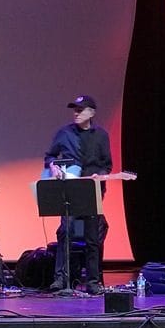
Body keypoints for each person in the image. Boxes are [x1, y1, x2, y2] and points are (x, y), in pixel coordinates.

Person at [44, 95, 111, 295]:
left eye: (80, 110)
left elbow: (107, 164)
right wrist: (53, 166)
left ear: (91, 112)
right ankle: (60, 279)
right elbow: (50, 156)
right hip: (70, 188)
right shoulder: (64, 133)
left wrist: (100, 175)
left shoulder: (101, 135)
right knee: (66, 230)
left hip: (91, 188)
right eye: (75, 110)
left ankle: (93, 281)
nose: (76, 113)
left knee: (92, 236)